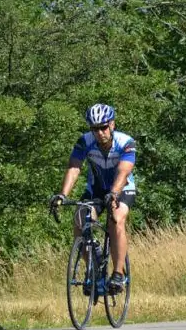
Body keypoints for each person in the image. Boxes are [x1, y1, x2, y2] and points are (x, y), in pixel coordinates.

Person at [50, 103, 137, 292]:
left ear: (112, 124)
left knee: (116, 219)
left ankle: (118, 274)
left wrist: (114, 193)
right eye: (94, 128)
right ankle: (94, 267)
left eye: (103, 127)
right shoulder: (85, 141)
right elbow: (74, 168)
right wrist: (62, 195)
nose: (99, 132)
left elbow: (123, 172)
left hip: (122, 188)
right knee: (80, 221)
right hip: (95, 190)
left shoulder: (126, 142)